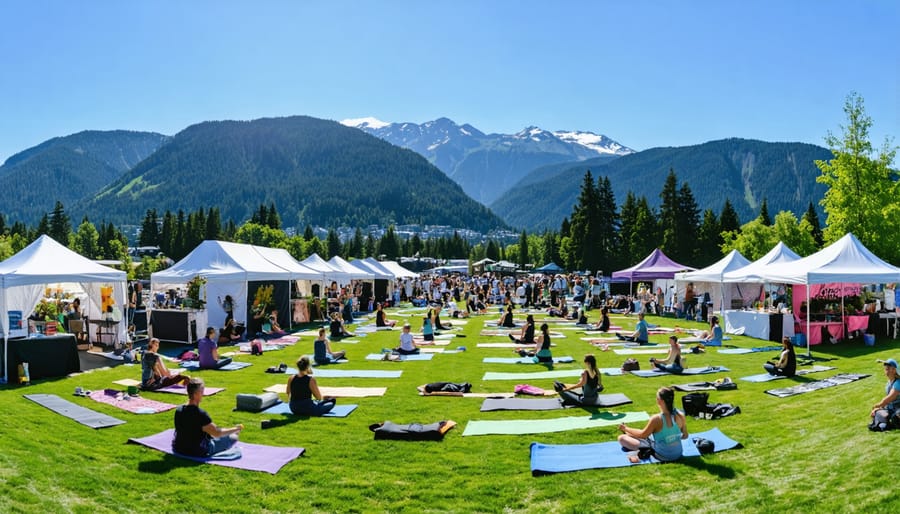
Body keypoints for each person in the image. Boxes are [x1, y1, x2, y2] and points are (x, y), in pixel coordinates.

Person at [172, 377, 243, 457]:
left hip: (179, 448)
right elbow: (217, 433)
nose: (203, 394)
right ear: (195, 394)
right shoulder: (200, 414)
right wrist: (235, 429)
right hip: (197, 450)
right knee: (233, 437)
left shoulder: (179, 410)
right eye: (201, 391)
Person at [617, 386, 688, 462]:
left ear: (660, 401)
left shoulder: (656, 419)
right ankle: (630, 433)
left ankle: (643, 448)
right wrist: (672, 437)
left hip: (662, 455)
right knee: (644, 434)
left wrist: (625, 428)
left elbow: (642, 435)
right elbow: (685, 436)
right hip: (678, 454)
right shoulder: (680, 415)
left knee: (622, 438)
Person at [870, 358, 900, 431]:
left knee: (896, 416)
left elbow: (890, 398)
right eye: (886, 368)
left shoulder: (898, 383)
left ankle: (890, 422)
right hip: (890, 409)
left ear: (894, 370)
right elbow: (888, 402)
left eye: (888, 368)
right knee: (878, 412)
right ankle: (887, 422)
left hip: (898, 408)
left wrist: (878, 405)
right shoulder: (889, 383)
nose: (886, 369)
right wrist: (878, 408)